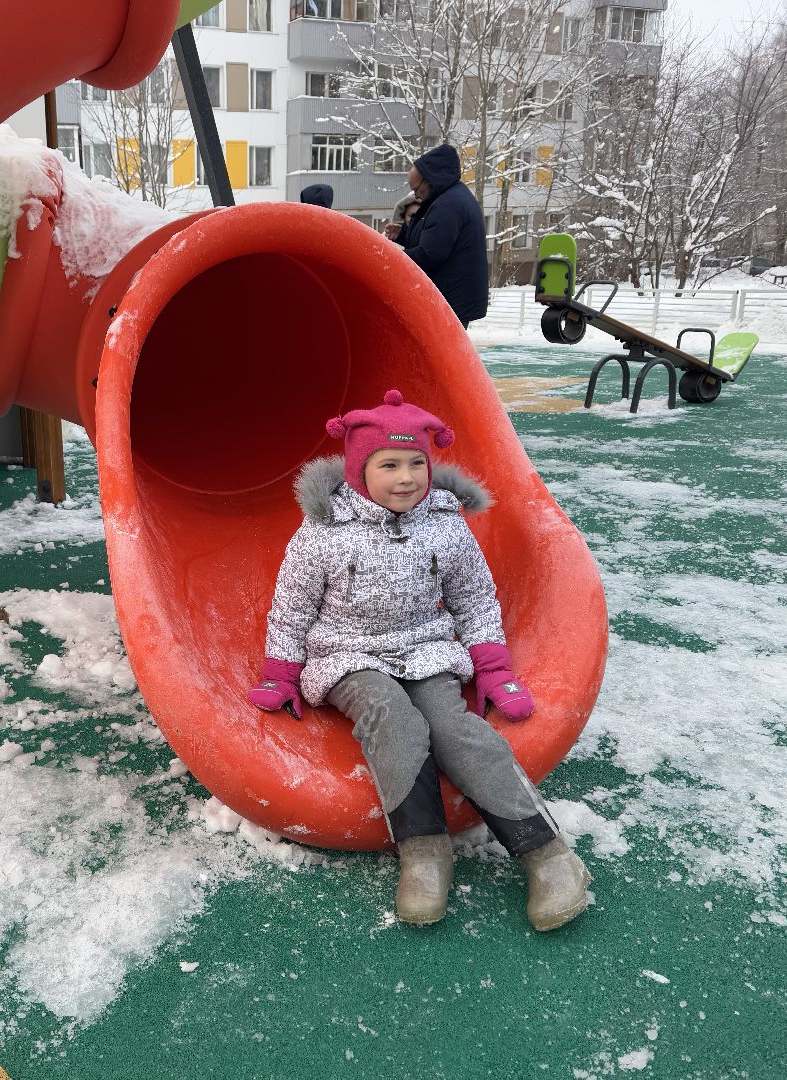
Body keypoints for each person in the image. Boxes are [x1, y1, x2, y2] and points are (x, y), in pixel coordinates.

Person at [245, 389, 591, 931]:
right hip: (349, 654)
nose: (406, 478)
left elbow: (473, 599)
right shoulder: (324, 531)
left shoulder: (445, 523)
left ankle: (547, 853)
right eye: (389, 465)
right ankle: (426, 854)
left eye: (416, 463)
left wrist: (493, 669)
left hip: (426, 649)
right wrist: (281, 673)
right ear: (359, 470)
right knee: (393, 718)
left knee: (454, 729)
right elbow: (293, 606)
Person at [396, 145, 489, 327]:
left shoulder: (448, 205)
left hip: (451, 299)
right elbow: (431, 237)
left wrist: (395, 257)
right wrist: (401, 235)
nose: (416, 195)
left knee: (439, 346)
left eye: (416, 188)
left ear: (429, 179)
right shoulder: (446, 198)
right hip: (453, 297)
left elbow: (430, 254)